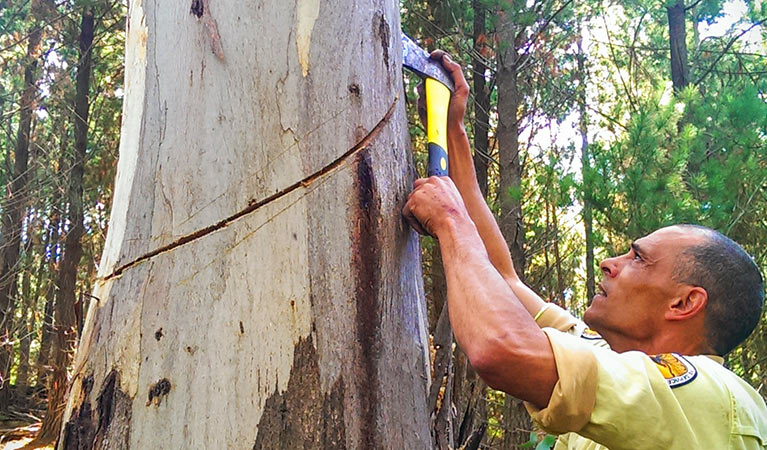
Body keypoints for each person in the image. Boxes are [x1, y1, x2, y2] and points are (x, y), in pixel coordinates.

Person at [403, 50, 767, 449]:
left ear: (683, 304)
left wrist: (452, 221)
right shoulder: (604, 354)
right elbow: (502, 279)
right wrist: (453, 133)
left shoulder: (712, 396)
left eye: (638, 258)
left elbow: (503, 350)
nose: (610, 263)